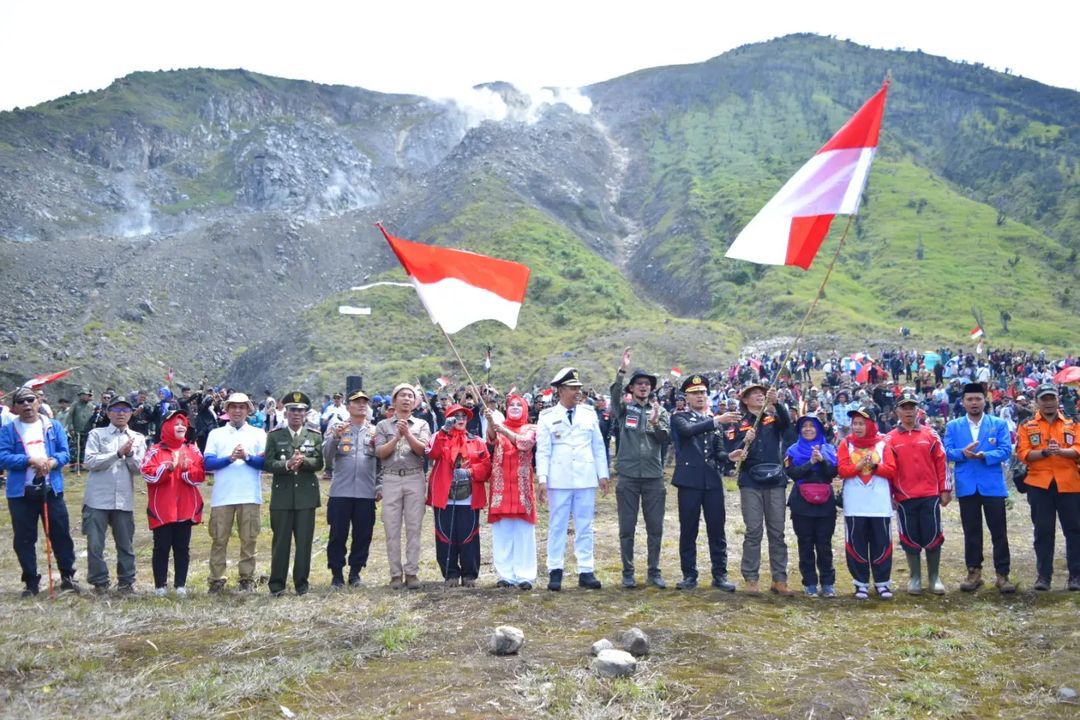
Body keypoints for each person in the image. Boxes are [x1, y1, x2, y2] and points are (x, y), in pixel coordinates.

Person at [0, 386, 80, 596]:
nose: (26, 404)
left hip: (51, 490)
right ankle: (31, 582)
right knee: (24, 538)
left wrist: (53, 462)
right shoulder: (8, 429)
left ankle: (68, 577)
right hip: (21, 493)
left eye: (30, 400)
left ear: (38, 402)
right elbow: (2, 456)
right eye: (21, 401)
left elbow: (65, 453)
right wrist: (29, 460)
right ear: (15, 407)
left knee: (61, 535)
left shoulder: (53, 426)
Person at [535, 367, 609, 591]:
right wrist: (542, 479)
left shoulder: (588, 413)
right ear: (559, 390)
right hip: (559, 478)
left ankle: (586, 570)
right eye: (572, 388)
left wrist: (603, 474)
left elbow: (598, 446)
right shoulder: (547, 416)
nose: (578, 392)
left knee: (585, 525)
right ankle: (555, 570)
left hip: (585, 478)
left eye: (579, 388)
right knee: (557, 525)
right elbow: (543, 450)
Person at [670, 374, 742, 591]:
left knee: (717, 529)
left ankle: (719, 574)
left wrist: (729, 457)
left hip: (712, 481)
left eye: (702, 392)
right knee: (689, 529)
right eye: (695, 393)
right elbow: (688, 432)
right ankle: (689, 575)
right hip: (689, 481)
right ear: (687, 397)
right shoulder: (680, 417)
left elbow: (718, 451)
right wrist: (716, 420)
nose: (700, 396)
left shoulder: (714, 421)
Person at [943, 382, 1016, 593]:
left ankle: (1003, 574)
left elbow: (1004, 450)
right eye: (969, 399)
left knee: (999, 531)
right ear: (963, 402)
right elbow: (946, 451)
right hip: (967, 485)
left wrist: (985, 455)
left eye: (978, 399)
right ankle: (974, 572)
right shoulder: (953, 426)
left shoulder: (998, 424)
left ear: (985, 400)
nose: (974, 403)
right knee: (971, 531)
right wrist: (961, 453)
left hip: (992, 485)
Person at [609, 348, 671, 589]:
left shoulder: (661, 412)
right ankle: (628, 572)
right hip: (628, 477)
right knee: (627, 527)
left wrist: (656, 423)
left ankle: (654, 572)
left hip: (654, 478)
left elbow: (665, 439)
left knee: (655, 527)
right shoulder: (625, 411)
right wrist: (622, 370)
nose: (643, 387)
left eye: (647, 384)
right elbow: (614, 396)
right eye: (638, 384)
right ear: (632, 389)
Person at [726, 383, 792, 595]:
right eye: (754, 394)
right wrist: (742, 441)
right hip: (750, 482)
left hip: (775, 481)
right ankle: (751, 579)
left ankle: (779, 579)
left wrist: (777, 402)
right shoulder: (739, 422)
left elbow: (788, 424)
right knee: (753, 531)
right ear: (744, 399)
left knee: (777, 531)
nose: (759, 396)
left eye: (762, 394)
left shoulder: (773, 417)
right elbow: (730, 451)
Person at [1015, 383, 1080, 591]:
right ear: (1037, 401)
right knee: (1043, 532)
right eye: (1044, 398)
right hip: (1039, 485)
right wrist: (1044, 452)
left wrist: (1061, 451)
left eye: (1052, 398)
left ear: (1058, 399)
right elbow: (1023, 453)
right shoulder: (1026, 425)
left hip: (1070, 484)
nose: (1049, 402)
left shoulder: (1073, 422)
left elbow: (1079, 448)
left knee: (1075, 531)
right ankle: (1043, 576)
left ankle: (1076, 577)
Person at [82, 394, 147, 594]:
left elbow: (140, 469)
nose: (121, 414)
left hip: (123, 500)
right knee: (95, 544)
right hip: (97, 498)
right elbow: (90, 462)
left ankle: (127, 582)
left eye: (125, 410)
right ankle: (99, 582)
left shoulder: (138, 437)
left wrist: (129, 455)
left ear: (131, 414)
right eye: (116, 410)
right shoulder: (97, 434)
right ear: (108, 412)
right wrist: (117, 453)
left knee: (125, 544)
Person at [202, 392, 267, 593]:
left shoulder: (258, 434)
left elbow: (265, 463)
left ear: (248, 410)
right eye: (233, 407)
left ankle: (246, 578)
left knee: (249, 539)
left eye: (242, 407)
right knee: (219, 539)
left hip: (249, 494)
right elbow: (207, 463)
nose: (237, 410)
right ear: (227, 410)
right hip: (223, 496)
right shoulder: (216, 434)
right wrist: (229, 459)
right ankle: (216, 579)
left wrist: (247, 457)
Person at [887, 391, 950, 595]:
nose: (908, 411)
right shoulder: (890, 439)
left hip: (930, 494)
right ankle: (915, 577)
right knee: (909, 537)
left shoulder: (930, 434)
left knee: (933, 535)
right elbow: (887, 469)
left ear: (918, 410)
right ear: (897, 411)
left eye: (912, 407)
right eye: (904, 407)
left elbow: (942, 462)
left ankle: (934, 577)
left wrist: (945, 489)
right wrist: (889, 495)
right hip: (904, 496)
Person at [264, 391, 324, 596]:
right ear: (285, 412)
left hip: (306, 496)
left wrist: (304, 462)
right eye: (292, 410)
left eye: (300, 410)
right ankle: (277, 585)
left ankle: (302, 584)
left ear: (306, 413)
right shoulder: (274, 435)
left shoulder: (315, 435)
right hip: (282, 497)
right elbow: (269, 463)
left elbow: (319, 463)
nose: (296, 414)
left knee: (304, 542)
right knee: (280, 542)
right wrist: (287, 464)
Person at [427, 403, 492, 587]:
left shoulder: (477, 441)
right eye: (456, 416)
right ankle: (450, 574)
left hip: (469, 496)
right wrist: (443, 431)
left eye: (464, 416)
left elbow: (487, 467)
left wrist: (470, 472)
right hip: (444, 495)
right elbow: (432, 453)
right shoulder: (438, 437)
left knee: (469, 535)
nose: (460, 419)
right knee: (445, 535)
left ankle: (469, 574)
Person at [141, 410, 205, 596]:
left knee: (182, 547)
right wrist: (166, 469)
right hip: (162, 508)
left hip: (186, 507)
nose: (180, 426)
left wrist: (187, 469)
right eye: (176, 423)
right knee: (161, 547)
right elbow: (147, 473)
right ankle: (160, 586)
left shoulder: (192, 449)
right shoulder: (155, 450)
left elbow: (200, 476)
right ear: (166, 426)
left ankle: (180, 586)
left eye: (183, 424)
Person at [375, 383, 431, 589]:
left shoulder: (422, 425)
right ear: (394, 401)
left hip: (414, 477)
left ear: (415, 402)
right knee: (391, 527)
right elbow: (380, 453)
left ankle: (412, 572)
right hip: (390, 478)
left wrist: (407, 433)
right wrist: (396, 436)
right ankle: (395, 574)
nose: (406, 399)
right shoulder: (383, 426)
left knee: (414, 527)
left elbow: (423, 450)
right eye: (402, 395)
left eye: (410, 396)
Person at [323, 389, 380, 588]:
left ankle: (355, 572)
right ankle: (336, 574)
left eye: (365, 402)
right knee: (338, 534)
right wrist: (335, 438)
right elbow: (327, 457)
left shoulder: (375, 431)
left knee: (363, 534)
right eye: (357, 402)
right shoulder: (338, 427)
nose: (361, 405)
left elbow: (382, 462)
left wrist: (379, 485)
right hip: (341, 491)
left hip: (366, 492)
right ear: (348, 406)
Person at [837, 408, 897, 599]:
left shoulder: (882, 444)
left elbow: (892, 470)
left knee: (881, 543)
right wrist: (859, 467)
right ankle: (860, 583)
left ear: (870, 424)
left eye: (862, 423)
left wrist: (875, 466)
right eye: (855, 423)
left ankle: (882, 583)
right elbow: (842, 470)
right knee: (856, 543)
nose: (858, 427)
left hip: (879, 503)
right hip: (855, 503)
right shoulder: (845, 444)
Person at [484, 394, 539, 590]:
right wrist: (490, 420)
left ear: (525, 409)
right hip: (501, 486)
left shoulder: (531, 428)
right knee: (502, 532)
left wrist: (504, 430)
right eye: (511, 405)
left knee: (523, 532)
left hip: (522, 487)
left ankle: (525, 575)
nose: (515, 407)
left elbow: (525, 444)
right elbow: (490, 437)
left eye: (519, 405)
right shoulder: (499, 427)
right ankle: (505, 575)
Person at [784, 415, 840, 597]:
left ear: (819, 429)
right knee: (805, 543)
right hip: (801, 502)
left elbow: (832, 473)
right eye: (804, 426)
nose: (808, 429)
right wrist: (811, 462)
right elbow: (792, 473)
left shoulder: (828, 448)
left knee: (824, 544)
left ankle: (827, 582)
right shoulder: (792, 450)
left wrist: (822, 460)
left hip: (825, 503)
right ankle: (809, 583)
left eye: (812, 426)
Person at [69, 387, 95, 469]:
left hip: (87, 430)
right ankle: (73, 464)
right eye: (85, 395)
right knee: (75, 447)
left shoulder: (91, 406)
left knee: (84, 447)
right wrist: (71, 427)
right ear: (81, 395)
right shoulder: (75, 404)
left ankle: (82, 464)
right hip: (76, 430)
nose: (87, 396)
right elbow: (70, 416)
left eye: (88, 395)